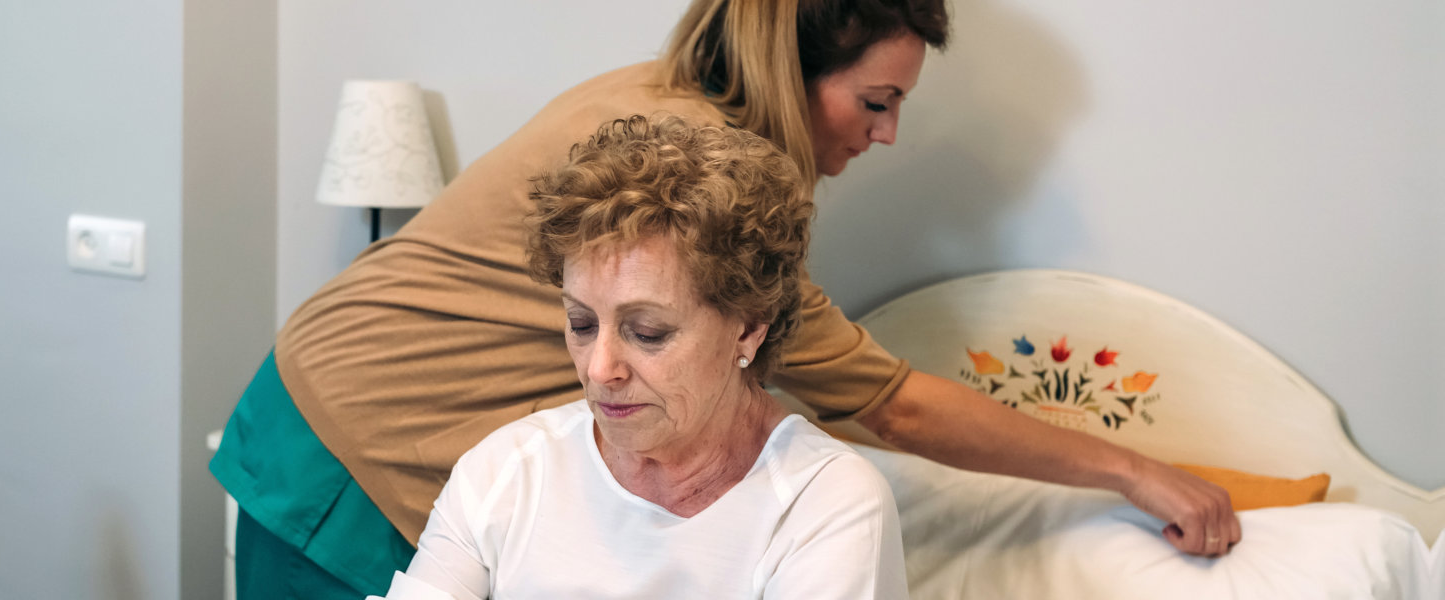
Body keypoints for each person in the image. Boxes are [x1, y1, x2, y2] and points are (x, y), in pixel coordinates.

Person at [213, 0, 1238, 597]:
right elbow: (896, 403)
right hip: (352, 436)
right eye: (875, 103)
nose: (885, 137)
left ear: (747, 335)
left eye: (649, 329)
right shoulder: (693, 179)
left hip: (327, 383)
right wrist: (1135, 471)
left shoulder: (651, 95)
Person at [368, 115, 908, 600]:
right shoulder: (508, 470)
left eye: (648, 332)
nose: (599, 369)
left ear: (747, 329)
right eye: (580, 323)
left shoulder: (824, 504)